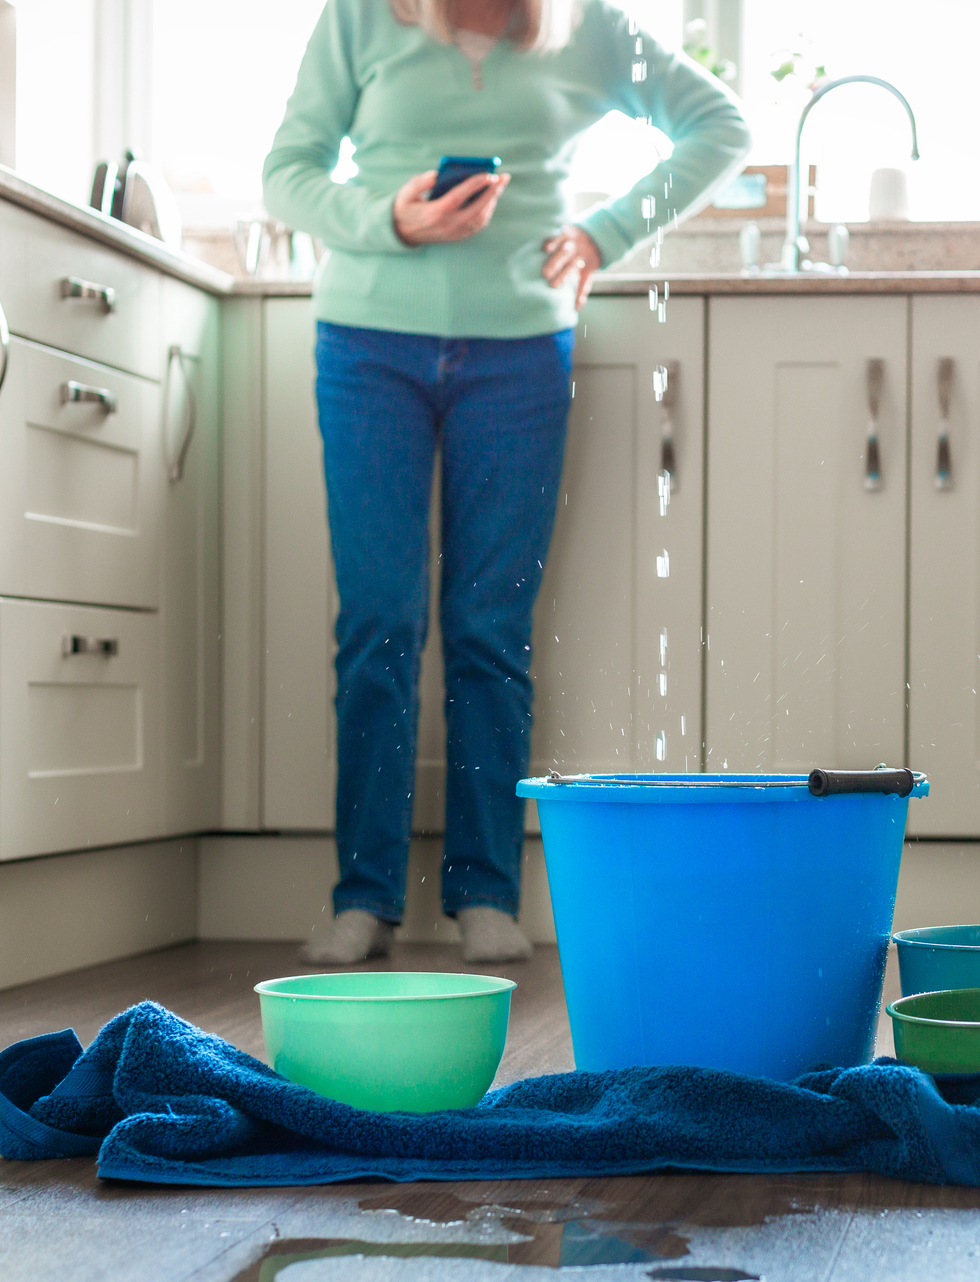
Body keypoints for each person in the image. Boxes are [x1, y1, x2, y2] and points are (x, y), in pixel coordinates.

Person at [263, 0, 750, 963]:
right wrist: (387, 217)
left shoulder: (590, 27)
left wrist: (606, 233)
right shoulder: (361, 17)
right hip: (367, 346)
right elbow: (287, 174)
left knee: (490, 627)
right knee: (379, 623)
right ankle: (364, 894)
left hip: (520, 354)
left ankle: (484, 889)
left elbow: (721, 125)